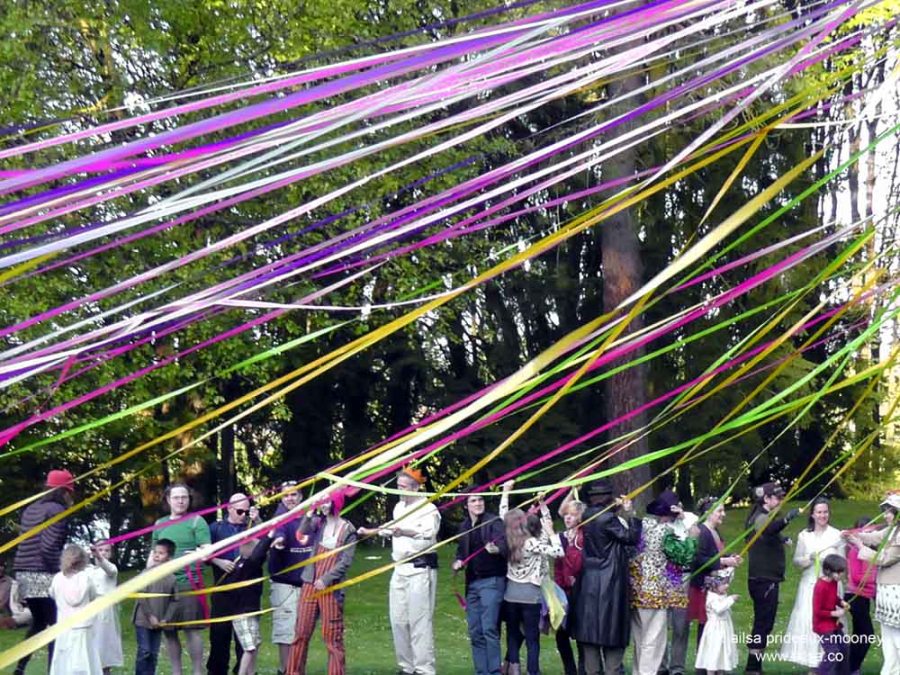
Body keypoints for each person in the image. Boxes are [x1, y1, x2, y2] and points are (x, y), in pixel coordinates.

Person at [358, 466, 441, 675]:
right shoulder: (398, 507)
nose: (400, 490)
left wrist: (406, 531)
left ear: (415, 488)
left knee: (419, 621)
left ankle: (424, 670)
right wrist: (370, 532)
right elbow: (390, 528)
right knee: (398, 620)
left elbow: (428, 534)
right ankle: (407, 667)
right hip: (400, 568)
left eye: (403, 487)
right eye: (398, 486)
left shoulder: (428, 509)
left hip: (420, 569)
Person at [571, 479, 640, 675]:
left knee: (590, 641)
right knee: (612, 640)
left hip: (589, 583)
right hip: (610, 585)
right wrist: (630, 514)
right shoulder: (607, 519)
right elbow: (631, 538)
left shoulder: (587, 516)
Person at [286, 490, 356, 675]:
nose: (323, 507)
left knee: (332, 637)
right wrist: (309, 512)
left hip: (331, 588)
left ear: (336, 504)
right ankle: (293, 672)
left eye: (327, 503)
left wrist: (326, 579)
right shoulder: (318, 523)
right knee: (301, 632)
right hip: (309, 583)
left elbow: (345, 561)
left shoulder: (348, 530)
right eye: (322, 503)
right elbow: (301, 534)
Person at [498, 479, 563, 675]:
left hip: (511, 596)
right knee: (532, 638)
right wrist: (551, 532)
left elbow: (503, 515)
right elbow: (558, 552)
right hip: (530, 597)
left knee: (512, 634)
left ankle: (514, 670)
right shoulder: (532, 543)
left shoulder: (508, 540)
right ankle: (533, 672)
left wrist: (506, 492)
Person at [13, 468, 75, 675]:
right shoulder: (56, 511)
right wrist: (62, 570)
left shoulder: (31, 508)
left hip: (22, 573)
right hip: (42, 574)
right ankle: (53, 670)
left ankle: (20, 668)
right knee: (56, 625)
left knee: (39, 623)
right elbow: (49, 547)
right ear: (64, 492)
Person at [148, 482, 211, 675]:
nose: (181, 501)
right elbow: (153, 554)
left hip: (188, 583)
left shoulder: (196, 521)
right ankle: (177, 672)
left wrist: (197, 554)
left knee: (192, 630)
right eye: (176, 497)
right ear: (168, 500)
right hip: (164, 585)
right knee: (169, 630)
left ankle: (197, 672)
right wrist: (145, 577)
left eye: (184, 497)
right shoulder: (160, 524)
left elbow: (206, 550)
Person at [630, 489, 691, 675]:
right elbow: (685, 552)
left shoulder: (644, 526)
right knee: (654, 640)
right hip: (655, 595)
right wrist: (683, 518)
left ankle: (638, 672)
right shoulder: (666, 532)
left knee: (640, 639)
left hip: (637, 591)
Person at [779, 497, 845, 671]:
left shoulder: (836, 535)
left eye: (825, 512)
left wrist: (830, 565)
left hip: (830, 587)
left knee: (830, 623)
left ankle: (829, 664)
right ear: (813, 514)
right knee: (811, 620)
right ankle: (813, 666)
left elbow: (842, 562)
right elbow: (796, 561)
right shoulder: (804, 535)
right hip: (809, 585)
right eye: (819, 512)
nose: (823, 515)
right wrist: (809, 558)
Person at [744, 481, 800, 674]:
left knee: (765, 623)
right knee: (763, 623)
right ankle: (752, 668)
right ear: (766, 499)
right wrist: (786, 521)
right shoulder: (759, 516)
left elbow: (768, 535)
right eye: (777, 497)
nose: (780, 500)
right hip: (763, 579)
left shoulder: (764, 515)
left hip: (767, 578)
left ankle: (755, 666)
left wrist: (782, 538)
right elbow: (766, 529)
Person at [844, 491, 900, 675]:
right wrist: (854, 535)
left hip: (896, 592)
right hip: (886, 592)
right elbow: (874, 537)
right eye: (885, 511)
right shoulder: (892, 530)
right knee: (889, 639)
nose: (885, 515)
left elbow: (884, 558)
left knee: (898, 639)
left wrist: (860, 547)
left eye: (889, 511)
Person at [452, 490, 508, 675]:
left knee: (489, 628)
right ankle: (481, 671)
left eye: (480, 499)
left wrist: (496, 549)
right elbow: (462, 552)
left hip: (492, 581)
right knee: (475, 631)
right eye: (473, 500)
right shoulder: (465, 526)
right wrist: (458, 562)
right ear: (466, 505)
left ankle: (494, 671)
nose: (478, 503)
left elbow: (506, 547)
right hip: (472, 584)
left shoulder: (494, 522)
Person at [207, 492, 258, 675]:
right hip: (223, 591)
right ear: (229, 508)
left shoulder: (252, 526)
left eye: (246, 511)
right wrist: (218, 562)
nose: (243, 515)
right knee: (219, 636)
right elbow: (203, 552)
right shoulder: (215, 528)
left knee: (245, 640)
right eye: (239, 511)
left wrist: (257, 521)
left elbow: (263, 547)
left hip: (247, 592)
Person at [689, 496, 742, 675]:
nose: (723, 514)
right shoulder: (702, 532)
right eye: (719, 511)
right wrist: (723, 561)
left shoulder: (715, 531)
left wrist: (730, 559)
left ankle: (716, 666)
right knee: (707, 628)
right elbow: (699, 560)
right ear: (708, 513)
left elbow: (716, 555)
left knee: (713, 629)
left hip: (715, 585)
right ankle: (704, 667)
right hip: (705, 588)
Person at [219, 530, 279, 675]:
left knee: (255, 644)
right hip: (243, 613)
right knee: (250, 648)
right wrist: (270, 535)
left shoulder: (241, 564)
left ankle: (251, 673)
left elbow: (260, 553)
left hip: (249, 611)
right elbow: (259, 553)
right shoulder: (247, 565)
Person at [269, 481, 313, 675]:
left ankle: (298, 669)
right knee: (286, 632)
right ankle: (285, 670)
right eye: (286, 495)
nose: (290, 498)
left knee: (302, 631)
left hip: (307, 584)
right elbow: (278, 534)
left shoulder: (310, 517)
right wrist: (278, 542)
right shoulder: (280, 518)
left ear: (301, 496)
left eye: (293, 494)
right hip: (284, 585)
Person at [49, 544, 101, 675]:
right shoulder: (86, 578)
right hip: (83, 626)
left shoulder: (57, 578)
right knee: (84, 660)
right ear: (83, 561)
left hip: (64, 626)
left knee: (64, 660)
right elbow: (93, 595)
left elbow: (52, 594)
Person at [133, 538, 178, 675]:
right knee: (144, 651)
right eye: (155, 552)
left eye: (161, 553)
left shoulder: (172, 578)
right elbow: (141, 595)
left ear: (169, 557)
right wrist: (150, 616)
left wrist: (166, 619)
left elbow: (175, 600)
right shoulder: (146, 573)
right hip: (143, 619)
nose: (157, 555)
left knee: (153, 653)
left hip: (159, 622)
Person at [554, 491, 585, 675]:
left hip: (580, 590)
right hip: (562, 590)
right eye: (567, 515)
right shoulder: (562, 536)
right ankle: (569, 669)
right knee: (561, 633)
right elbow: (560, 510)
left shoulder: (583, 535)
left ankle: (583, 669)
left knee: (581, 632)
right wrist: (571, 489)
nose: (567, 518)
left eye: (572, 515)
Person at [844, 516, 877, 675]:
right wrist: (877, 579)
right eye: (864, 530)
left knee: (860, 634)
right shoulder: (855, 550)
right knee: (866, 634)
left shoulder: (872, 550)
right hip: (855, 596)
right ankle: (852, 668)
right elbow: (858, 577)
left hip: (864, 596)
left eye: (871, 530)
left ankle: (851, 666)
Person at [89, 541, 124, 674]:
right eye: (100, 550)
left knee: (103, 648)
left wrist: (99, 556)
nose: (103, 552)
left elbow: (108, 568)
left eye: (106, 550)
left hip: (105, 613)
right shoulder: (88, 570)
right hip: (89, 611)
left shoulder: (112, 569)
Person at [694, 572, 738, 675]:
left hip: (724, 627)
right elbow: (719, 609)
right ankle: (711, 671)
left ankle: (721, 670)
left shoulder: (722, 595)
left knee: (722, 649)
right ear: (714, 586)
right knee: (714, 650)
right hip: (715, 629)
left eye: (727, 583)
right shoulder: (712, 598)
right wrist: (731, 599)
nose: (727, 586)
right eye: (723, 584)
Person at [813, 554, 850, 675]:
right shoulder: (820, 586)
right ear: (828, 570)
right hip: (822, 626)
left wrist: (841, 602)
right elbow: (817, 611)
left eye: (842, 572)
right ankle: (819, 673)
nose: (841, 575)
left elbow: (833, 597)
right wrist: (834, 613)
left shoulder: (833, 582)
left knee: (844, 648)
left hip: (832, 624)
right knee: (832, 653)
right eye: (838, 573)